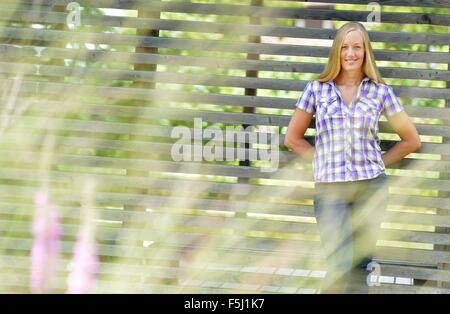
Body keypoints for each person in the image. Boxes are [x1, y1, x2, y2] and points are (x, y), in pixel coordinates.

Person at [284, 22, 421, 294]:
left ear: (365, 51)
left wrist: (380, 161)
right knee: (339, 263)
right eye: (345, 47)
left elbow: (411, 140)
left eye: (356, 47)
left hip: (370, 188)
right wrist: (319, 161)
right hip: (330, 190)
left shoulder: (380, 92)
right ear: (337, 52)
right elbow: (292, 138)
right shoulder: (316, 89)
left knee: (361, 266)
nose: (350, 53)